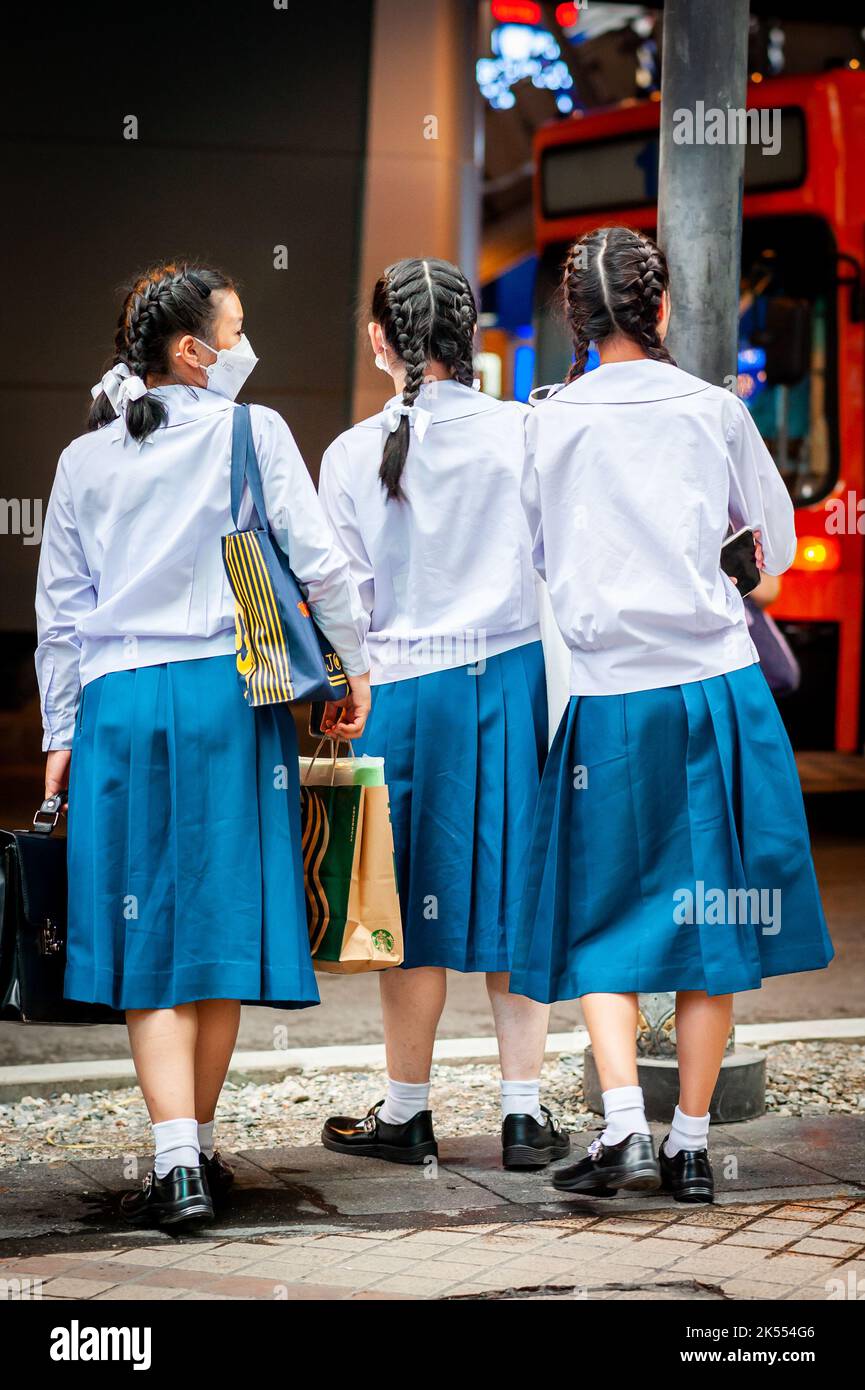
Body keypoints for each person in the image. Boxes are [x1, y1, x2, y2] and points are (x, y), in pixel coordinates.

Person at [35, 262, 370, 1228]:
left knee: (147, 931)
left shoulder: (83, 459)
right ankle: (199, 1149)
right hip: (231, 695)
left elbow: (62, 612)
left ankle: (176, 1158)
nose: (243, 345)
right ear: (194, 351)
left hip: (118, 708)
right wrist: (353, 666)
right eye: (236, 328)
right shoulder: (252, 433)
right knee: (218, 925)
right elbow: (318, 564)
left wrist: (61, 730)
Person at [511, 226, 833, 1203]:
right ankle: (688, 1144)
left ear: (574, 319)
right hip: (715, 688)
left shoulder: (546, 421)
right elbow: (768, 541)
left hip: (607, 699)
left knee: (596, 913)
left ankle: (619, 1125)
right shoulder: (712, 411)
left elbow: (534, 555)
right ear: (658, 311)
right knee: (714, 917)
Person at [316, 257, 569, 1170]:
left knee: (403, 909)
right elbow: (555, 562)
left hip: (398, 692)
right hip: (508, 683)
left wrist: (348, 685)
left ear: (381, 340)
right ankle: (522, 1115)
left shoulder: (350, 454)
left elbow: (343, 602)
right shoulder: (527, 433)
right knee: (516, 898)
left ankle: (407, 1113)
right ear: (470, 339)